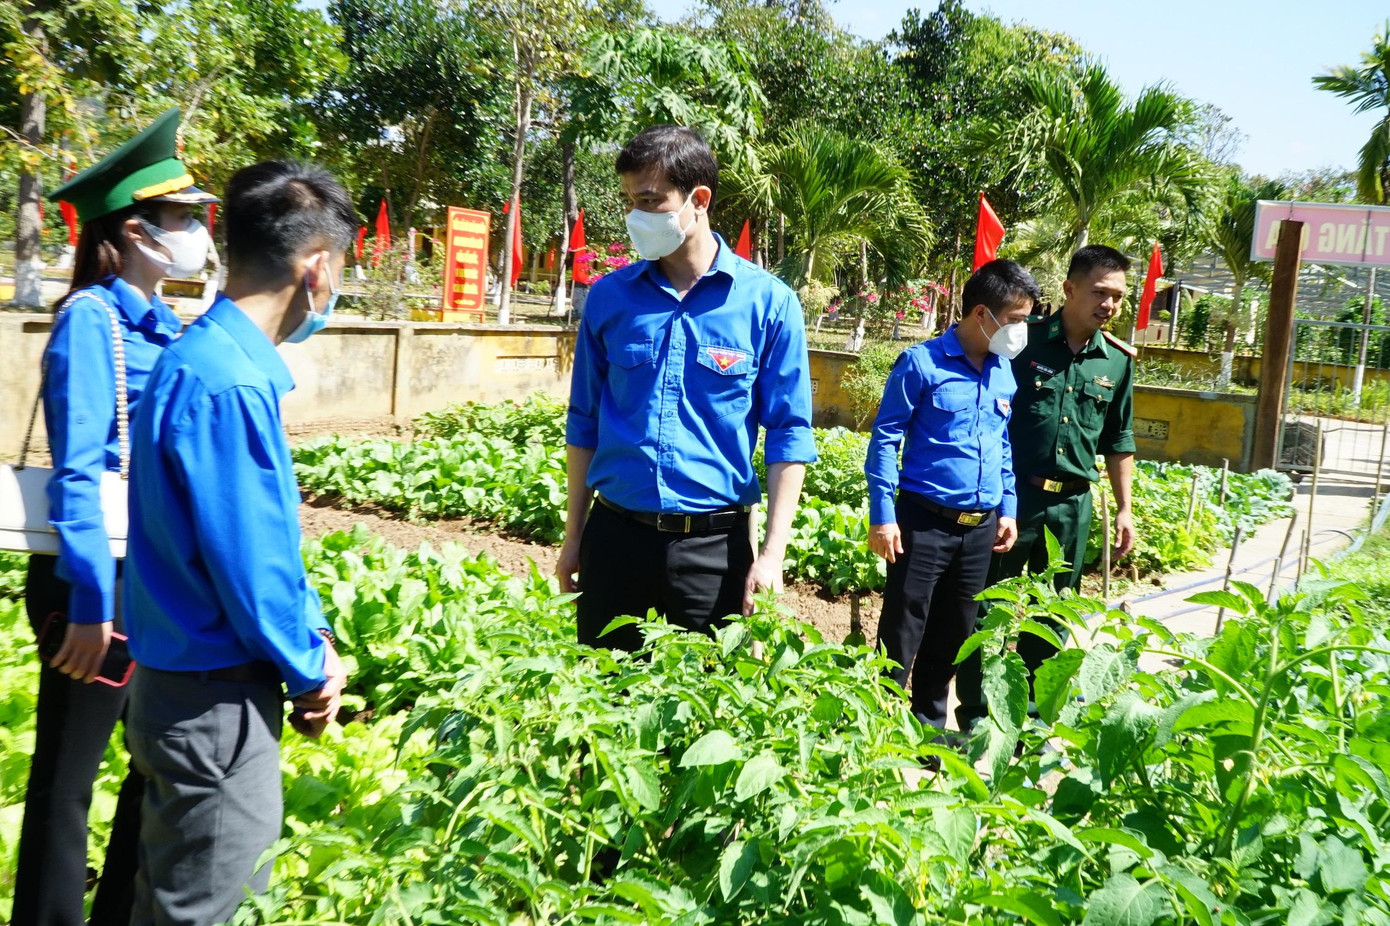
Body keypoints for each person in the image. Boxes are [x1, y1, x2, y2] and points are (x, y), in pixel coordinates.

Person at [121, 160, 352, 924]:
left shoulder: (195, 359)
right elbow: (253, 570)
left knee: (166, 897)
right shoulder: (231, 385)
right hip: (216, 706)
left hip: (172, 686)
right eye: (339, 270)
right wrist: (313, 662)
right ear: (315, 268)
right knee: (206, 908)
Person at [13, 107, 216, 926]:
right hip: (96, 591)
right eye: (186, 219)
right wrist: (92, 600)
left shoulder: (164, 325)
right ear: (134, 231)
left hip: (154, 580)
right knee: (68, 776)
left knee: (151, 764)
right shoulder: (90, 322)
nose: (201, 234)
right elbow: (80, 472)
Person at [556, 125, 816, 651]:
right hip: (616, 540)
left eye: (650, 201)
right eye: (630, 201)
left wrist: (771, 555)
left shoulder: (767, 303)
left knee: (701, 708)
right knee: (606, 701)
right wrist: (574, 536)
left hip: (714, 551)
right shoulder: (609, 299)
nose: (636, 216)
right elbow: (583, 420)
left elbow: (790, 432)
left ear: (699, 200)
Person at [956, 245, 1138, 732]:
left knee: (1055, 615)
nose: (1109, 304)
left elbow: (1119, 440)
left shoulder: (1117, 363)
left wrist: (1125, 509)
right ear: (1070, 289)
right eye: (1100, 292)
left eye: (1118, 296)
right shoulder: (1022, 343)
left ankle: (1034, 723)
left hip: (1073, 507)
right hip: (1016, 500)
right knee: (989, 610)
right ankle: (978, 717)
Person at [864, 260, 1040, 730]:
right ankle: (875, 731)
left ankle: (928, 731)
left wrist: (1008, 508)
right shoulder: (921, 364)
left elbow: (1002, 443)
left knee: (955, 633)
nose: (1021, 330)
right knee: (902, 630)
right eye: (1017, 319)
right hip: (923, 522)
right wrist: (883, 516)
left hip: (979, 528)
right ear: (983, 313)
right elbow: (884, 440)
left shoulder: (1004, 370)